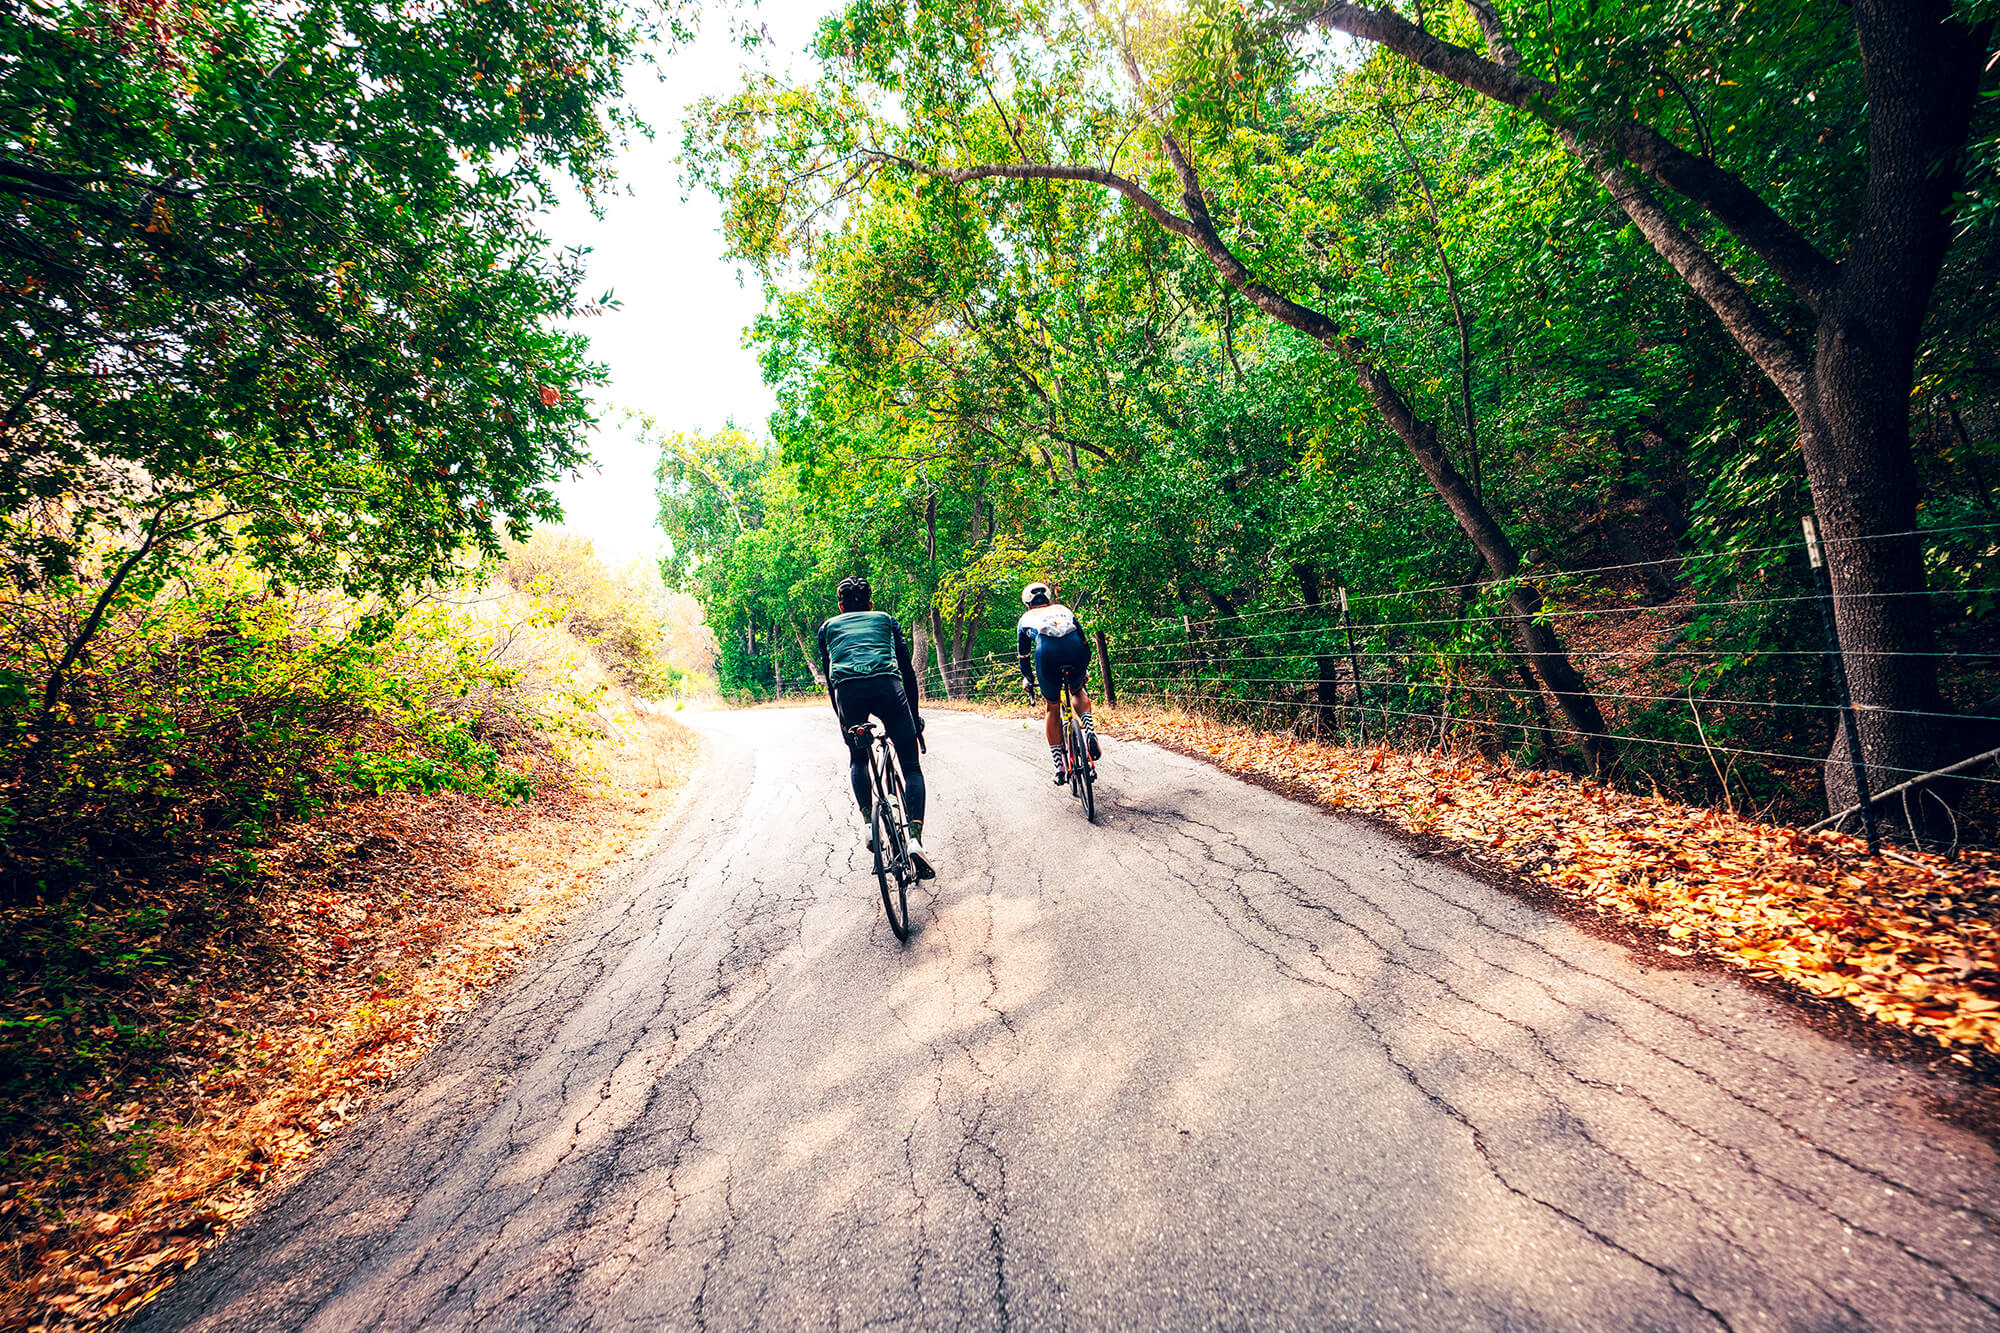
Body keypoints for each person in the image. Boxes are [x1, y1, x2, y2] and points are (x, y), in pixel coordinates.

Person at [817, 576, 934, 876]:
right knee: (910, 768)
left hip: (849, 695)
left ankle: (870, 825)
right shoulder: (886, 620)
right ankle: (915, 841)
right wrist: (915, 718)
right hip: (888, 690)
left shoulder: (828, 628)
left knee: (858, 759)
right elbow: (907, 672)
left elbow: (832, 682)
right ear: (871, 603)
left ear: (840, 606)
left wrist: (843, 722)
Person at [1017, 581, 1100, 784]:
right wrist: (1083, 669)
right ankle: (1089, 730)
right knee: (1077, 690)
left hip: (1047, 654)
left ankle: (1060, 767)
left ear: (1027, 605)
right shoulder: (1063, 609)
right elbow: (1082, 638)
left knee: (1052, 706)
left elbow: (1024, 657)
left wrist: (1028, 678)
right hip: (1077, 651)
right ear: (1048, 600)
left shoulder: (1025, 618)